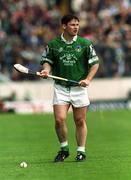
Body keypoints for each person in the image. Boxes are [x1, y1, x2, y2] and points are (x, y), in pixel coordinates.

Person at [40, 14, 99, 162]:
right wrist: (46, 70)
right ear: (64, 26)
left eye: (77, 25)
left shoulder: (85, 44)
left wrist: (88, 79)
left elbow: (95, 64)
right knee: (59, 120)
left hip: (79, 88)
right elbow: (47, 61)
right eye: (72, 25)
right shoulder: (53, 45)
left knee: (79, 120)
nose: (76, 27)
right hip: (61, 88)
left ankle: (81, 151)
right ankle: (64, 149)